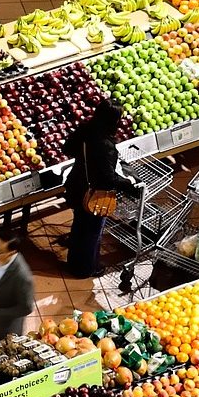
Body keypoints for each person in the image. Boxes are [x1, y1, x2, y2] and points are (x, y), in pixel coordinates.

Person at [63, 102, 140, 278]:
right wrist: (129, 185)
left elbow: (67, 148)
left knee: (79, 226)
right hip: (94, 195)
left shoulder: (85, 130)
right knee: (92, 232)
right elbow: (108, 177)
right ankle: (86, 269)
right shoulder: (105, 144)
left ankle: (74, 264)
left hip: (77, 185)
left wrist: (85, 160)